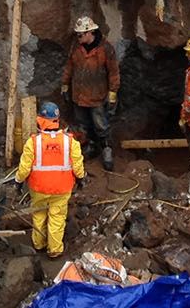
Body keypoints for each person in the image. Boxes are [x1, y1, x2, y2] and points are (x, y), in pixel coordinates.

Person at [14, 101, 85, 259]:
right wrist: (80, 179)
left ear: (40, 120)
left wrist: (18, 182)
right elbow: (78, 165)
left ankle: (39, 244)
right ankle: (54, 250)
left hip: (38, 188)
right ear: (57, 120)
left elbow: (24, 167)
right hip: (62, 189)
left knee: (39, 214)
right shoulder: (70, 142)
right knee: (57, 218)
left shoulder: (33, 143)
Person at [61, 16, 121, 171]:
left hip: (97, 96)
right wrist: (65, 85)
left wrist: (113, 92)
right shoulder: (76, 48)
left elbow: (113, 72)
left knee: (101, 126)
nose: (78, 37)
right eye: (78, 35)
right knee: (83, 125)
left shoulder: (105, 49)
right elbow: (69, 66)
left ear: (90, 33)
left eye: (81, 34)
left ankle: (106, 150)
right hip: (79, 96)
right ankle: (90, 147)